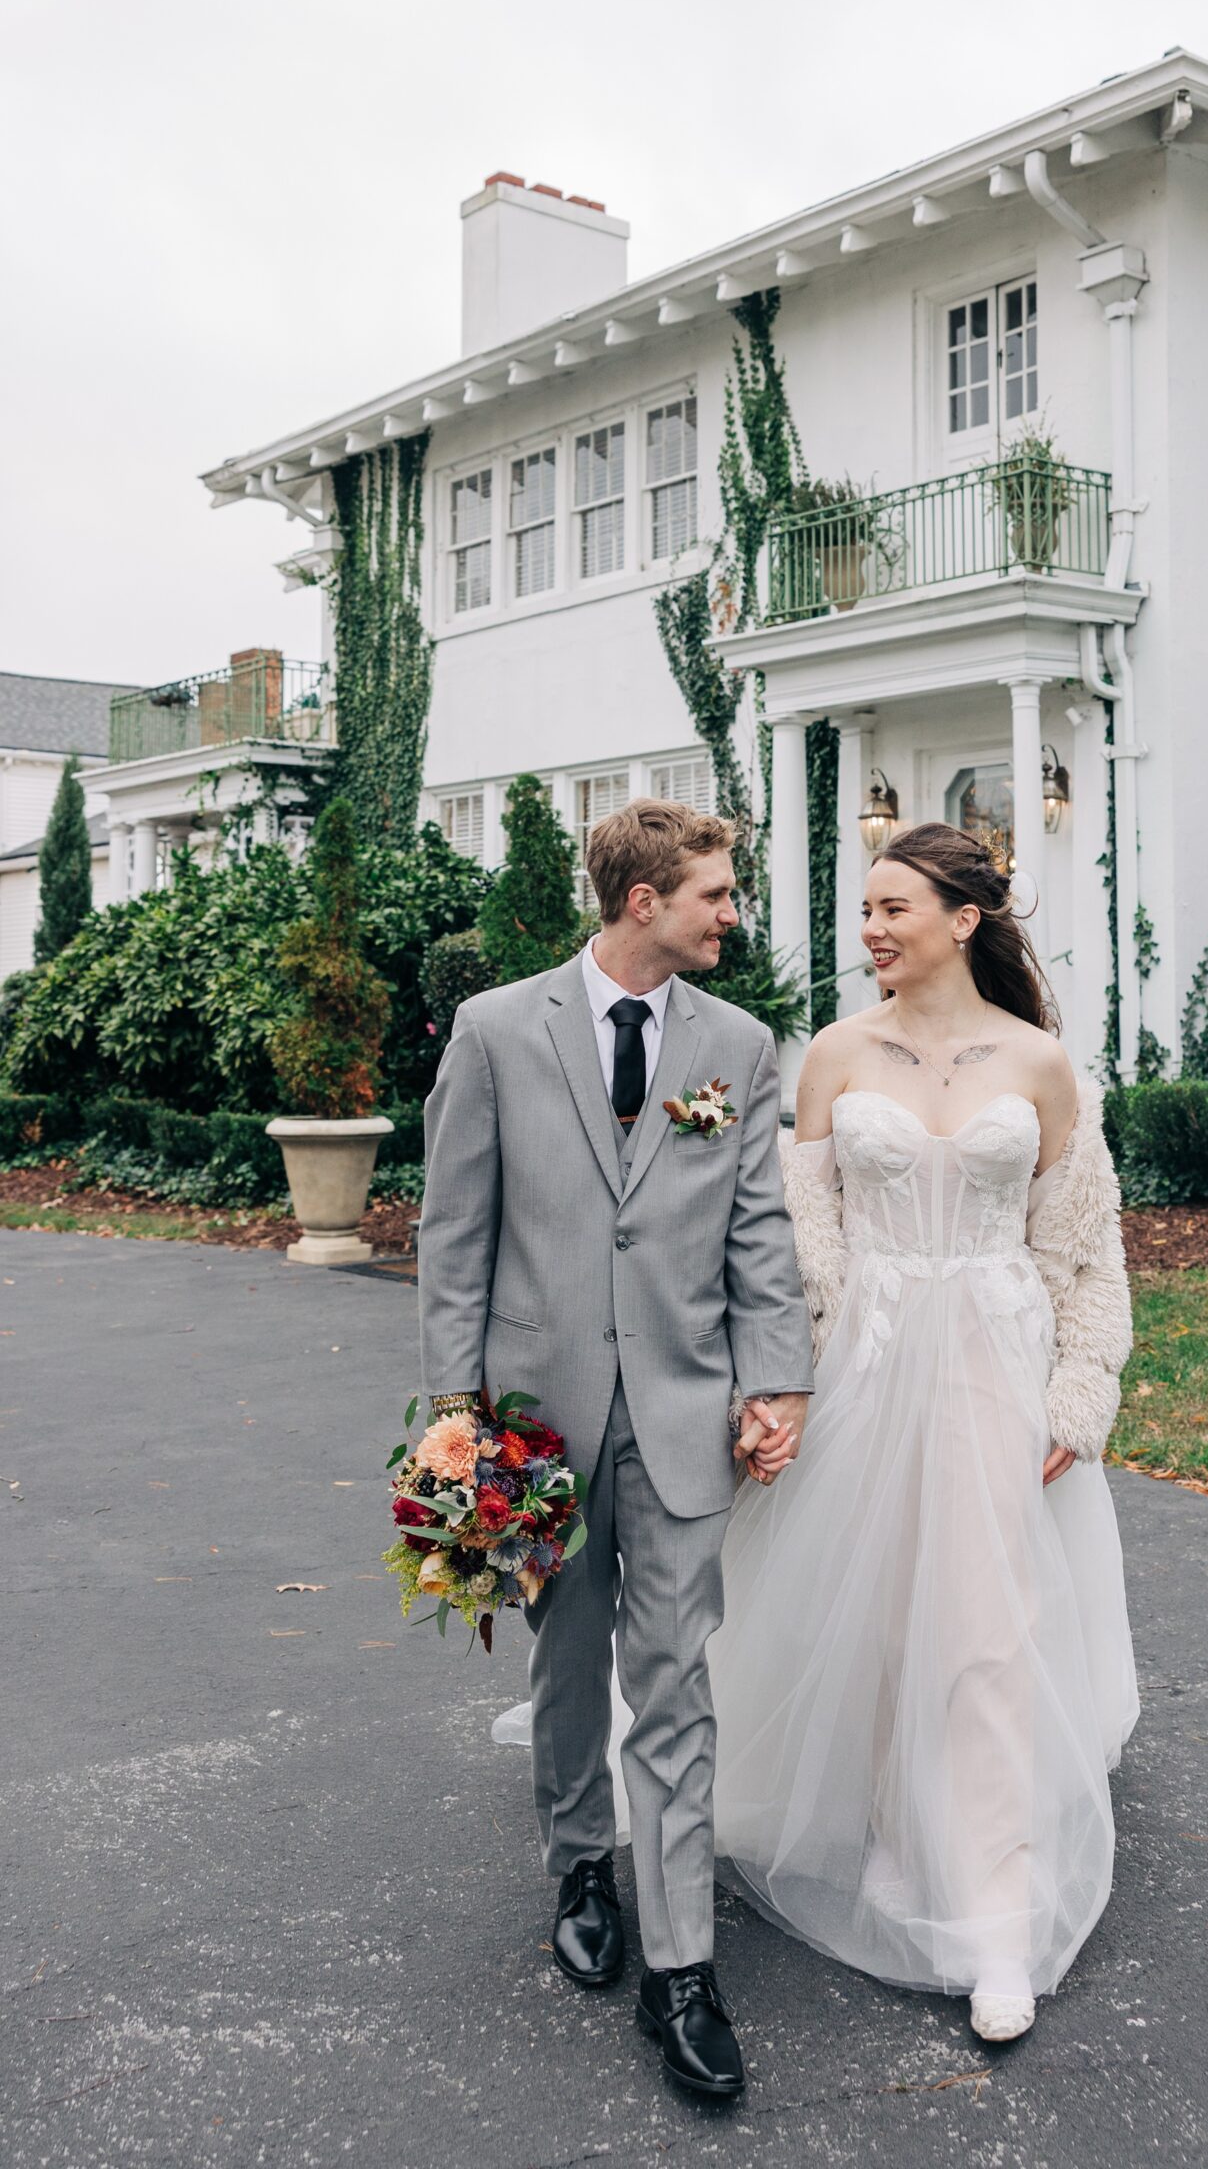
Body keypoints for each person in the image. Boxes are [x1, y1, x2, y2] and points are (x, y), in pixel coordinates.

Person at [709, 822, 1139, 2044]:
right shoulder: (835, 1058)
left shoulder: (1043, 1063)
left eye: (895, 906)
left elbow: (1088, 1250)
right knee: (893, 1614)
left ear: (965, 918)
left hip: (1000, 1364)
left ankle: (999, 1911)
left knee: (990, 1627)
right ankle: (900, 1835)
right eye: (866, 911)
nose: (872, 930)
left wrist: (1080, 1390)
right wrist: (782, 1383)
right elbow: (798, 1253)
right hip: (870, 1357)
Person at [419, 799, 814, 2103]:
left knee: (674, 1674)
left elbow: (757, 1231)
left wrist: (775, 1379)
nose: (732, 911)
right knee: (567, 1654)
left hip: (688, 1410)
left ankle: (682, 1967)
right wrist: (453, 1408)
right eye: (715, 892)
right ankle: (581, 1859)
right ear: (642, 901)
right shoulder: (492, 1033)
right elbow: (453, 1235)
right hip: (535, 1415)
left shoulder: (736, 1048)